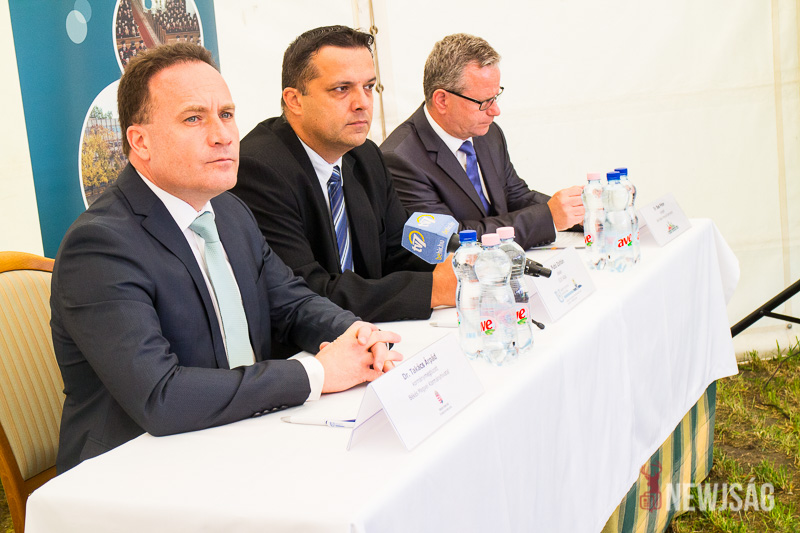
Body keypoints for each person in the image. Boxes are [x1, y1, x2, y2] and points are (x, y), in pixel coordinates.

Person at [51, 42, 401, 473]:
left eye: (227, 114)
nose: (223, 136)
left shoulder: (229, 210)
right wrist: (317, 374)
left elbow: (292, 304)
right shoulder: (99, 246)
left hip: (242, 436)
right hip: (135, 470)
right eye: (194, 118)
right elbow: (161, 397)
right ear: (140, 142)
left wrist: (356, 335)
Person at [233, 25, 456, 328]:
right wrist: (433, 289)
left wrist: (459, 264)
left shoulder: (365, 155)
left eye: (368, 86)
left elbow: (399, 249)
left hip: (370, 333)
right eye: (342, 89)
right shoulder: (259, 170)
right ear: (294, 100)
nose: (362, 102)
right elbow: (307, 294)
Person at [381, 33, 584, 250]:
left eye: (495, 97)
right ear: (442, 100)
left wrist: (577, 212)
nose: (495, 110)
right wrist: (548, 218)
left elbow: (515, 196)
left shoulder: (487, 133)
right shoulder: (401, 159)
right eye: (484, 102)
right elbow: (451, 239)